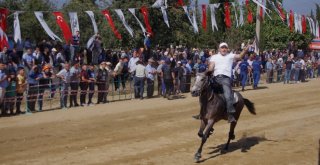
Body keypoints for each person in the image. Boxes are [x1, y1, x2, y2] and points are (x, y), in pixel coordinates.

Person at [206, 42, 249, 123]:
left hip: (226, 79)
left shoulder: (230, 55)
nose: (224, 49)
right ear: (219, 49)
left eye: (225, 47)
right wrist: (209, 70)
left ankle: (230, 115)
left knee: (228, 95)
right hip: (215, 78)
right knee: (204, 92)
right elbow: (211, 66)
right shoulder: (214, 57)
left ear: (227, 49)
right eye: (222, 47)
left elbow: (239, 56)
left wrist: (245, 50)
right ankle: (202, 113)